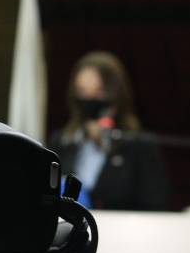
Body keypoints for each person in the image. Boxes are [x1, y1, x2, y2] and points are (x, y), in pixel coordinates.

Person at [48, 51, 168, 210]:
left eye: (99, 92)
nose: (89, 100)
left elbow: (155, 205)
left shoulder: (139, 145)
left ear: (116, 95)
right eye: (82, 92)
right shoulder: (61, 141)